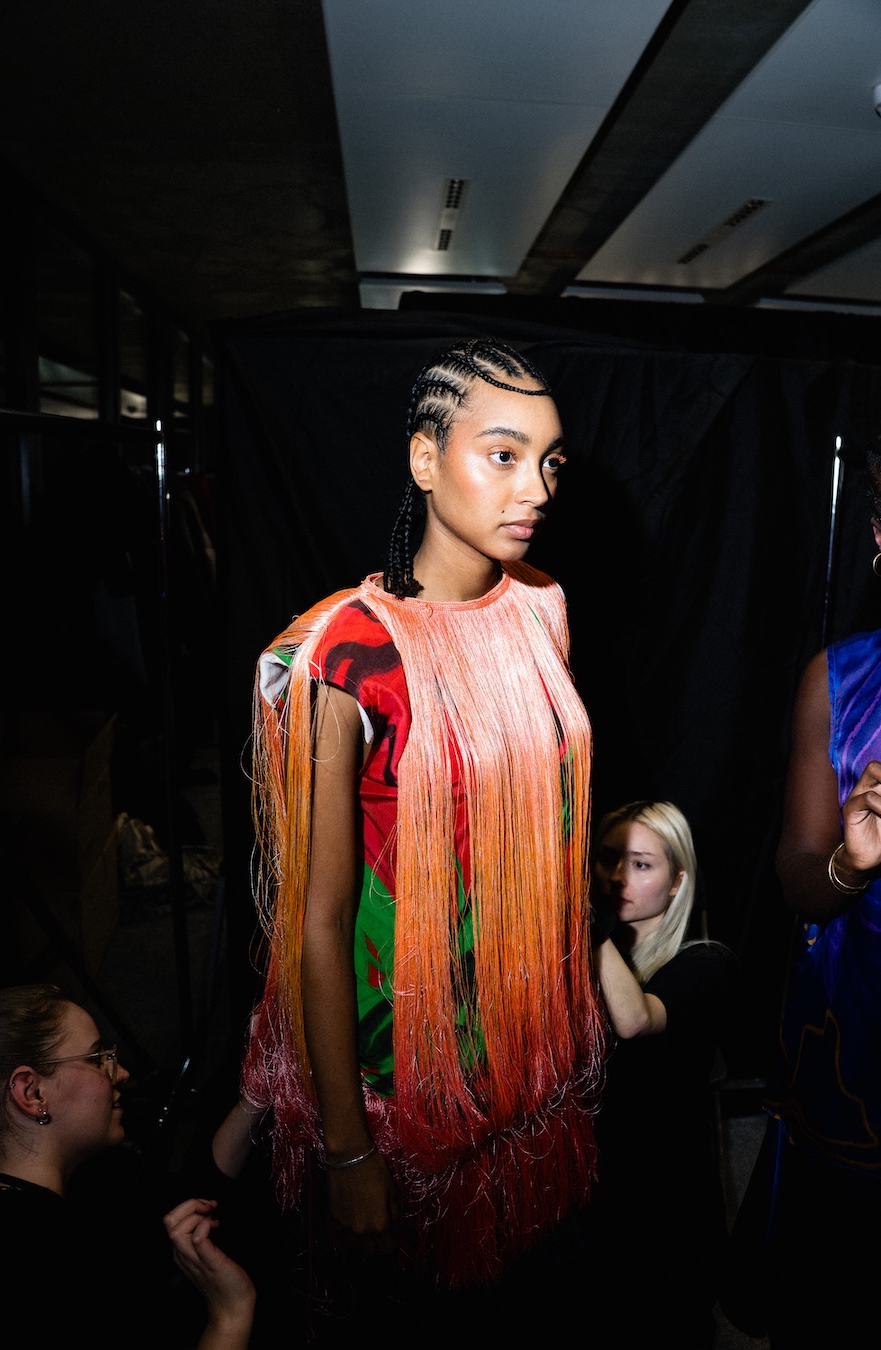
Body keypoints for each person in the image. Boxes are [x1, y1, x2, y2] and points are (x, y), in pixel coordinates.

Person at [239, 337, 607, 1332]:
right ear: (424, 459)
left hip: (526, 1043)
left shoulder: (542, 607)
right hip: (400, 1061)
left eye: (551, 460)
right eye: (503, 454)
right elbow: (317, 922)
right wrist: (348, 1149)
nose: (536, 487)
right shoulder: (347, 655)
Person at [722, 440, 881, 1348]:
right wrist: (853, 864)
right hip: (859, 1022)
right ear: (878, 536)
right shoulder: (839, 679)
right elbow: (799, 880)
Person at [0, 982, 256, 1350]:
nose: (121, 1072)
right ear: (32, 1093)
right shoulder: (27, 1261)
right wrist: (231, 1315)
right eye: (97, 1059)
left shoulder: (79, 1192)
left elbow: (187, 1198)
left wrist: (256, 1098)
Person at [586, 800, 739, 1348]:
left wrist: (584, 919)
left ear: (678, 883)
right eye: (608, 859)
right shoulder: (582, 960)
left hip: (667, 1208)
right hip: (595, 1198)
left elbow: (634, 1019)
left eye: (640, 864)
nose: (617, 877)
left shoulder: (706, 962)